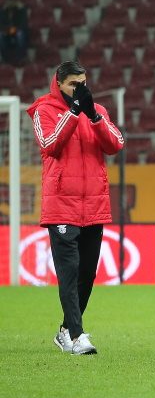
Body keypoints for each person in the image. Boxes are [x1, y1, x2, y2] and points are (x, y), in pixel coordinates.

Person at [26, 61, 124, 356]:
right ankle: (78, 336)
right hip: (61, 205)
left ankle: (65, 331)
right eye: (73, 84)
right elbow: (50, 145)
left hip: (94, 204)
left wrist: (93, 116)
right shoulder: (43, 110)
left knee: (87, 274)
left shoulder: (98, 111)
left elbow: (116, 144)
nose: (79, 89)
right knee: (68, 273)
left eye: (82, 83)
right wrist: (73, 113)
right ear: (58, 84)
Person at [0, 0, 29, 64]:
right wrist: (8, 30)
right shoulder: (3, 11)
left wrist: (13, 30)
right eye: (9, 1)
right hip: (7, 32)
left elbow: (24, 24)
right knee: (0, 36)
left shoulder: (21, 11)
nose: (10, 3)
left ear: (15, 2)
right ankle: (4, 58)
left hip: (19, 31)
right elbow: (1, 24)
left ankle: (22, 58)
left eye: (12, 1)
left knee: (19, 34)